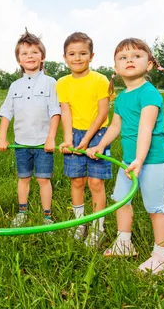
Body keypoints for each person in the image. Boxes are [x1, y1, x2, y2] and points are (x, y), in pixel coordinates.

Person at [87, 37, 164, 274]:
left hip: (152, 160)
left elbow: (145, 129)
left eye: (136, 56)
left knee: (154, 207)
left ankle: (162, 255)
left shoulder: (149, 94)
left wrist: (139, 160)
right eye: (122, 57)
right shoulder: (123, 97)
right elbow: (115, 126)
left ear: (149, 65)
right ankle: (124, 242)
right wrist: (100, 145)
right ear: (115, 68)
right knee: (120, 200)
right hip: (129, 160)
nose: (129, 60)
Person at [0, 29, 61, 227]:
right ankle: (22, 212)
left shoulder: (51, 82)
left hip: (43, 142)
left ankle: (47, 217)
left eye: (34, 52)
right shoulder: (15, 85)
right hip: (21, 143)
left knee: (43, 180)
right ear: (19, 60)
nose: (30, 56)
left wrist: (51, 137)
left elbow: (55, 112)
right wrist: (1, 138)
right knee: (23, 178)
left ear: (42, 56)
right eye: (24, 53)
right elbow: (7, 112)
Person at [57, 32, 112, 247]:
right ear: (65, 57)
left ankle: (98, 227)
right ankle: (79, 223)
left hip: (97, 135)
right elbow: (66, 112)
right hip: (75, 133)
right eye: (72, 54)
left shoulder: (100, 80)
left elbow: (102, 113)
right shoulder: (62, 83)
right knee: (77, 180)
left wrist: (87, 139)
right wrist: (69, 139)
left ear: (92, 56)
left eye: (82, 53)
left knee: (95, 182)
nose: (77, 58)